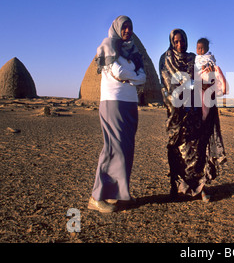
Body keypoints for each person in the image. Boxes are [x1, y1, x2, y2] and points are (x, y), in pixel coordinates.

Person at [159, 29, 226, 202]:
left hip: (196, 112)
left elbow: (203, 78)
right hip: (177, 115)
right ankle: (177, 185)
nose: (180, 45)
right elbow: (169, 86)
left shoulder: (192, 59)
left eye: (182, 41)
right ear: (171, 43)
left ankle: (199, 186)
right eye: (176, 42)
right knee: (178, 151)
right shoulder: (166, 59)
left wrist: (208, 77)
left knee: (197, 152)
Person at [88, 15, 146, 213]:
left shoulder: (132, 51)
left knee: (126, 150)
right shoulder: (108, 46)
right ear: (117, 28)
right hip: (113, 102)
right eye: (124, 27)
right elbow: (118, 72)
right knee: (114, 148)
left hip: (130, 103)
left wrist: (132, 78)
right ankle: (96, 197)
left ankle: (120, 194)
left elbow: (143, 77)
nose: (127, 31)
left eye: (130, 27)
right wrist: (134, 77)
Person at [195, 37, 228, 120]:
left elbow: (212, 65)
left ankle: (204, 116)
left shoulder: (209, 57)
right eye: (198, 48)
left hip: (207, 77)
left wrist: (207, 70)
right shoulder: (195, 58)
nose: (200, 50)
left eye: (202, 48)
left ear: (207, 49)